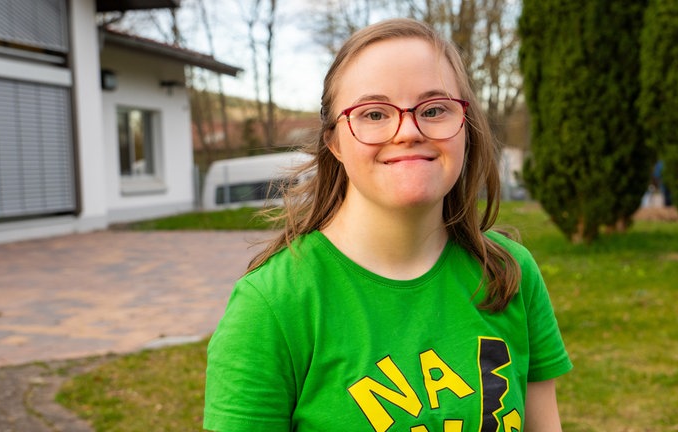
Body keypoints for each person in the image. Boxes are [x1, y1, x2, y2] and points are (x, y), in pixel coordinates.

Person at [204, 18, 572, 432]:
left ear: (465, 128)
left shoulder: (510, 273)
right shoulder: (271, 306)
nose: (408, 131)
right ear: (335, 142)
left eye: (434, 109)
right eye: (374, 113)